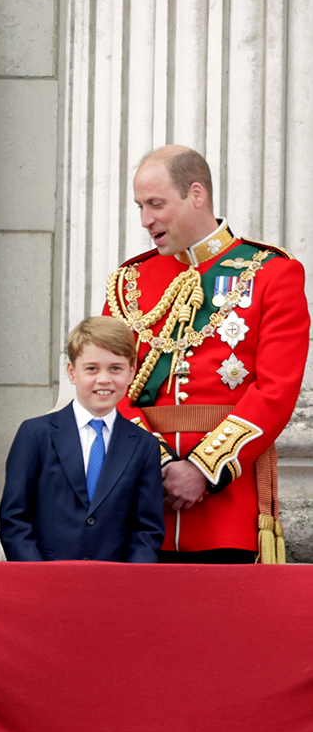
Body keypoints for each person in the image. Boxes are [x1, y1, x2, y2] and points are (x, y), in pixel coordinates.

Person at [102, 145, 309, 563]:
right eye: (141, 207)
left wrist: (203, 469)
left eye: (156, 204)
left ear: (196, 194)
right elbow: (107, 385)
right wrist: (157, 464)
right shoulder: (129, 282)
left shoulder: (271, 273)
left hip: (226, 508)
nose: (145, 220)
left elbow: (275, 392)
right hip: (145, 505)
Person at [0, 317, 165, 562]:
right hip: (47, 576)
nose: (104, 379)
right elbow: (14, 519)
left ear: (131, 373)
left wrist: (129, 578)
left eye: (115, 368)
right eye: (92, 369)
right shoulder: (36, 434)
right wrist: (38, 575)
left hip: (114, 579)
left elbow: (146, 530)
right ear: (72, 372)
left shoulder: (144, 445)